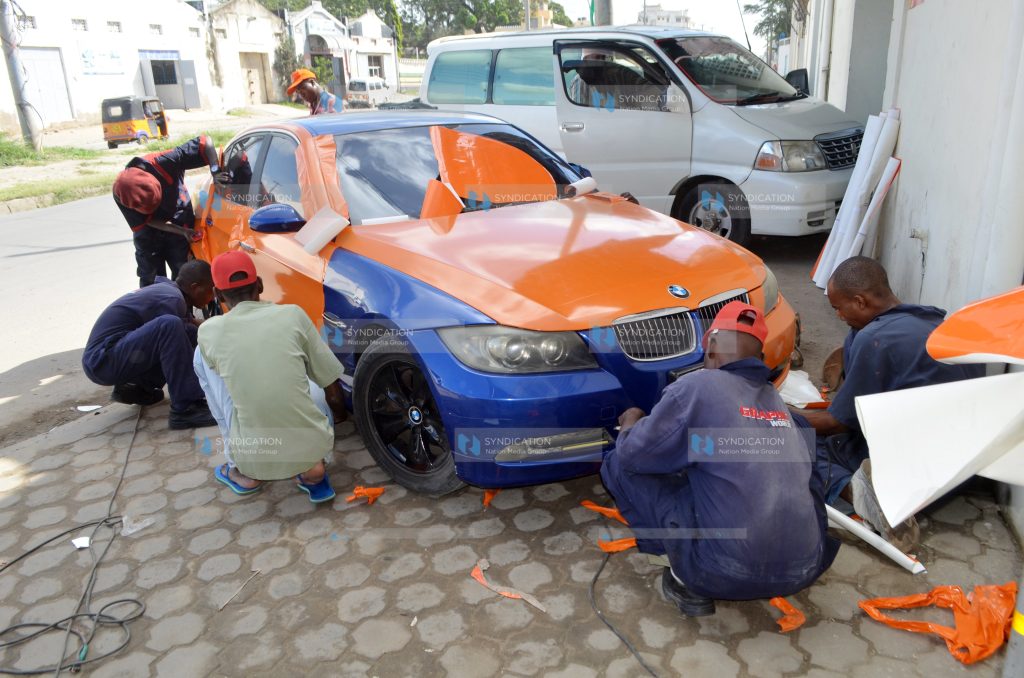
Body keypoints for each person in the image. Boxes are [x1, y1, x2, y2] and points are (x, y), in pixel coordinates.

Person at [601, 302, 838, 617]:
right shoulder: (779, 405)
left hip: (721, 572)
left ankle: (680, 573)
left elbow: (635, 455)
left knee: (619, 462)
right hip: (805, 567)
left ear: (711, 347)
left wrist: (632, 422)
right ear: (759, 357)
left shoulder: (697, 385)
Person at [792, 256, 985, 550]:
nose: (839, 317)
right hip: (959, 474)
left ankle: (863, 496)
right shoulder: (937, 322)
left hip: (913, 480)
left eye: (838, 308)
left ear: (860, 302)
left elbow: (837, 422)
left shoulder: (874, 338)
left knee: (797, 446)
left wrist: (777, 417)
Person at [194, 250, 347, 503]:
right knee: (304, 375)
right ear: (261, 285)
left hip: (255, 456)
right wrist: (337, 417)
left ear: (218, 295)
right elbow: (331, 385)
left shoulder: (209, 331)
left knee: (204, 358)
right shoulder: (293, 315)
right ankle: (314, 470)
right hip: (312, 447)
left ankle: (242, 469)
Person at [82, 260, 217, 430]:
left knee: (185, 331)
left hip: (110, 355)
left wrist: (219, 326)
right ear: (195, 287)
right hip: (102, 361)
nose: (213, 297)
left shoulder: (170, 292)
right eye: (211, 290)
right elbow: (173, 333)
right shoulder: (172, 299)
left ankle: (135, 388)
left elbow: (192, 327)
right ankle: (186, 407)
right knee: (170, 326)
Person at [113, 135, 222, 287]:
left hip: (179, 217)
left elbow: (206, 142)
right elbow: (148, 220)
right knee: (151, 280)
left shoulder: (164, 162)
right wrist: (179, 231)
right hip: (149, 231)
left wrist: (215, 171)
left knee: (183, 274)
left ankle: (183, 307)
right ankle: (157, 307)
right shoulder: (122, 193)